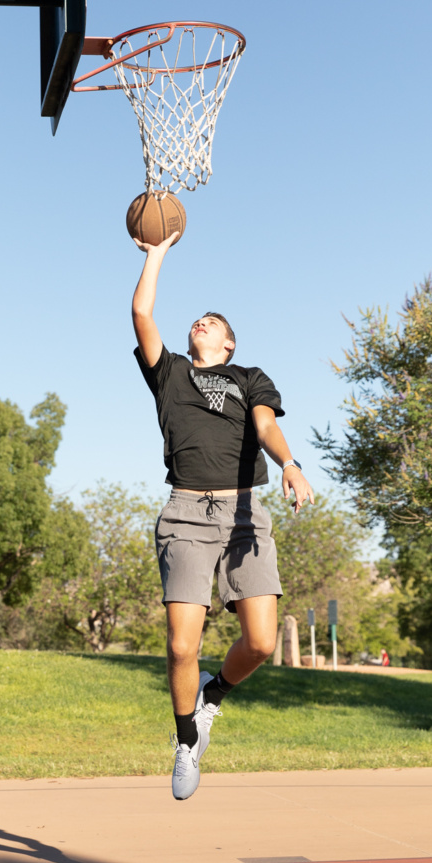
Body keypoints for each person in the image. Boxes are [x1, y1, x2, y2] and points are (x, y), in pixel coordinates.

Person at [132, 232, 314, 800]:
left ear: (230, 344)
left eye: (214, 321)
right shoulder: (171, 375)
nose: (201, 323)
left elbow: (264, 427)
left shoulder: (250, 378)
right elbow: (141, 311)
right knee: (181, 646)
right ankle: (186, 740)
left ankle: (212, 698)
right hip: (185, 512)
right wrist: (156, 251)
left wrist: (289, 462)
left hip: (243, 513)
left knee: (260, 643)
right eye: (198, 320)